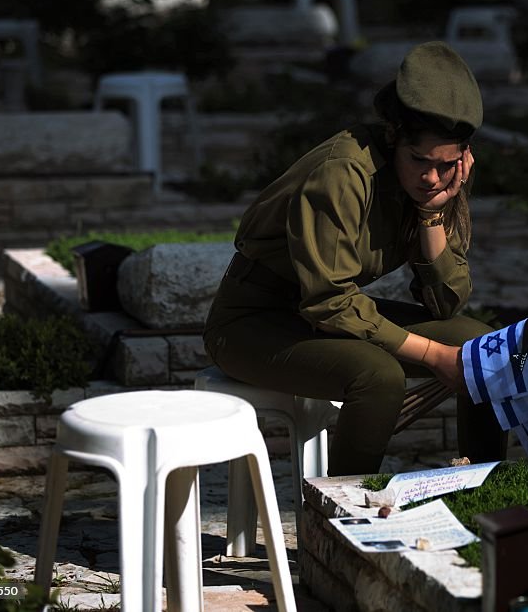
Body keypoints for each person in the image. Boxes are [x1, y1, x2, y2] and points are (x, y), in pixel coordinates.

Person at [203, 41, 508, 475]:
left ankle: (482, 495)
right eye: (419, 160)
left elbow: (445, 302)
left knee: (483, 350)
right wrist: (434, 355)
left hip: (326, 316)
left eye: (446, 164)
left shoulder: (442, 184)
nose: (431, 177)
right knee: (378, 377)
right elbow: (328, 300)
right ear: (393, 137)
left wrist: (432, 213)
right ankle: (342, 515)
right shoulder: (343, 172)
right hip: (253, 320)